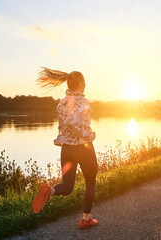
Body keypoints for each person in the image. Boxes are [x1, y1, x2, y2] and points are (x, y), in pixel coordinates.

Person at [32, 67, 98, 229]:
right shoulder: (83, 102)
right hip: (84, 148)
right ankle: (86, 218)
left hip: (67, 149)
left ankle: (50, 191)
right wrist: (90, 135)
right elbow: (77, 124)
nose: (86, 85)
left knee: (67, 186)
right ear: (81, 84)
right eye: (85, 82)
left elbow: (65, 125)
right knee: (90, 182)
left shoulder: (61, 103)